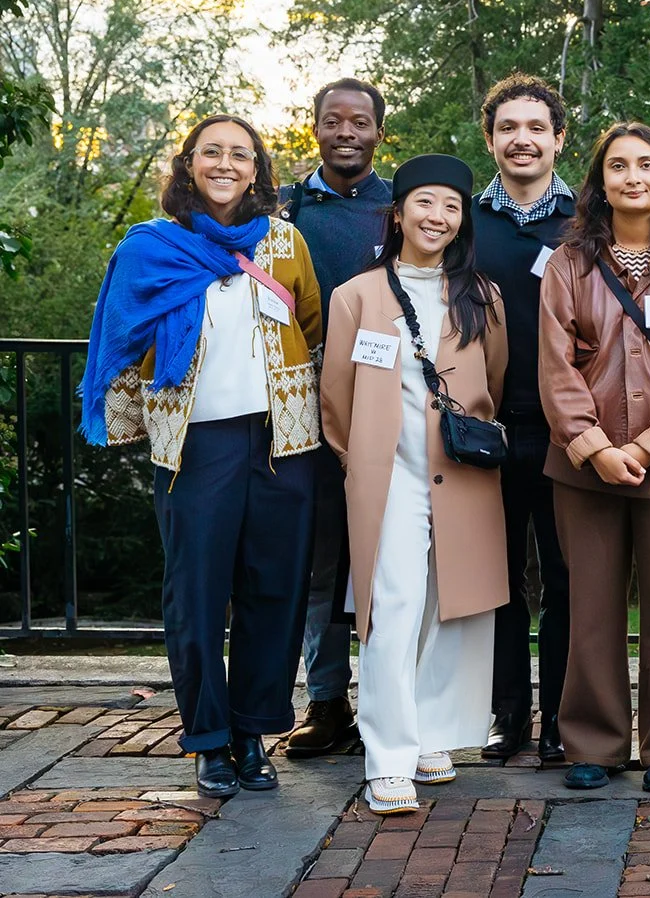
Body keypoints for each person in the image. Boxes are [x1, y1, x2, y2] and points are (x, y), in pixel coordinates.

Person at [79, 114, 322, 799]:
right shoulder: (151, 248)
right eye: (210, 152)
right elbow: (120, 333)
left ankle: (251, 734)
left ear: (256, 170)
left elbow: (310, 324)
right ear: (188, 165)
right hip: (196, 446)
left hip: (282, 443)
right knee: (196, 594)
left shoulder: (284, 242)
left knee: (273, 590)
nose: (224, 163)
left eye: (239, 154)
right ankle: (208, 740)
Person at [320, 153, 509, 815]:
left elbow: (495, 381)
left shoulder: (482, 297)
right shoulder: (358, 296)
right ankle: (387, 758)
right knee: (393, 610)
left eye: (452, 206)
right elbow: (335, 401)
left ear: (462, 220)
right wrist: (364, 463)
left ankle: (430, 733)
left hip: (461, 474)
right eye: (425, 203)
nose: (438, 217)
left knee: (450, 606)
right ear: (398, 213)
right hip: (388, 478)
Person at [538, 123, 650, 793]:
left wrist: (648, 445)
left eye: (647, 165)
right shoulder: (567, 266)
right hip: (582, 466)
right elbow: (554, 368)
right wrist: (594, 447)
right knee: (591, 606)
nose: (634, 176)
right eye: (619, 166)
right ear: (601, 182)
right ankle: (595, 743)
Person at [281, 77, 394, 759]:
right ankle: (327, 704)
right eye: (333, 121)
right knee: (320, 563)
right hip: (300, 409)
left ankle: (393, 702)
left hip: (389, 407)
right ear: (315, 127)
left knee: (395, 562)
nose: (346, 132)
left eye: (359, 122)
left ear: (380, 131)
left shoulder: (402, 207)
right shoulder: (286, 210)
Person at [471, 73, 575, 763]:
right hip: (484, 428)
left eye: (536, 127)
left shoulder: (588, 218)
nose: (523, 139)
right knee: (497, 580)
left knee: (569, 577)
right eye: (509, 128)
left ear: (559, 138)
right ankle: (507, 714)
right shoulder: (464, 222)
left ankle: (566, 718)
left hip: (569, 430)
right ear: (491, 138)